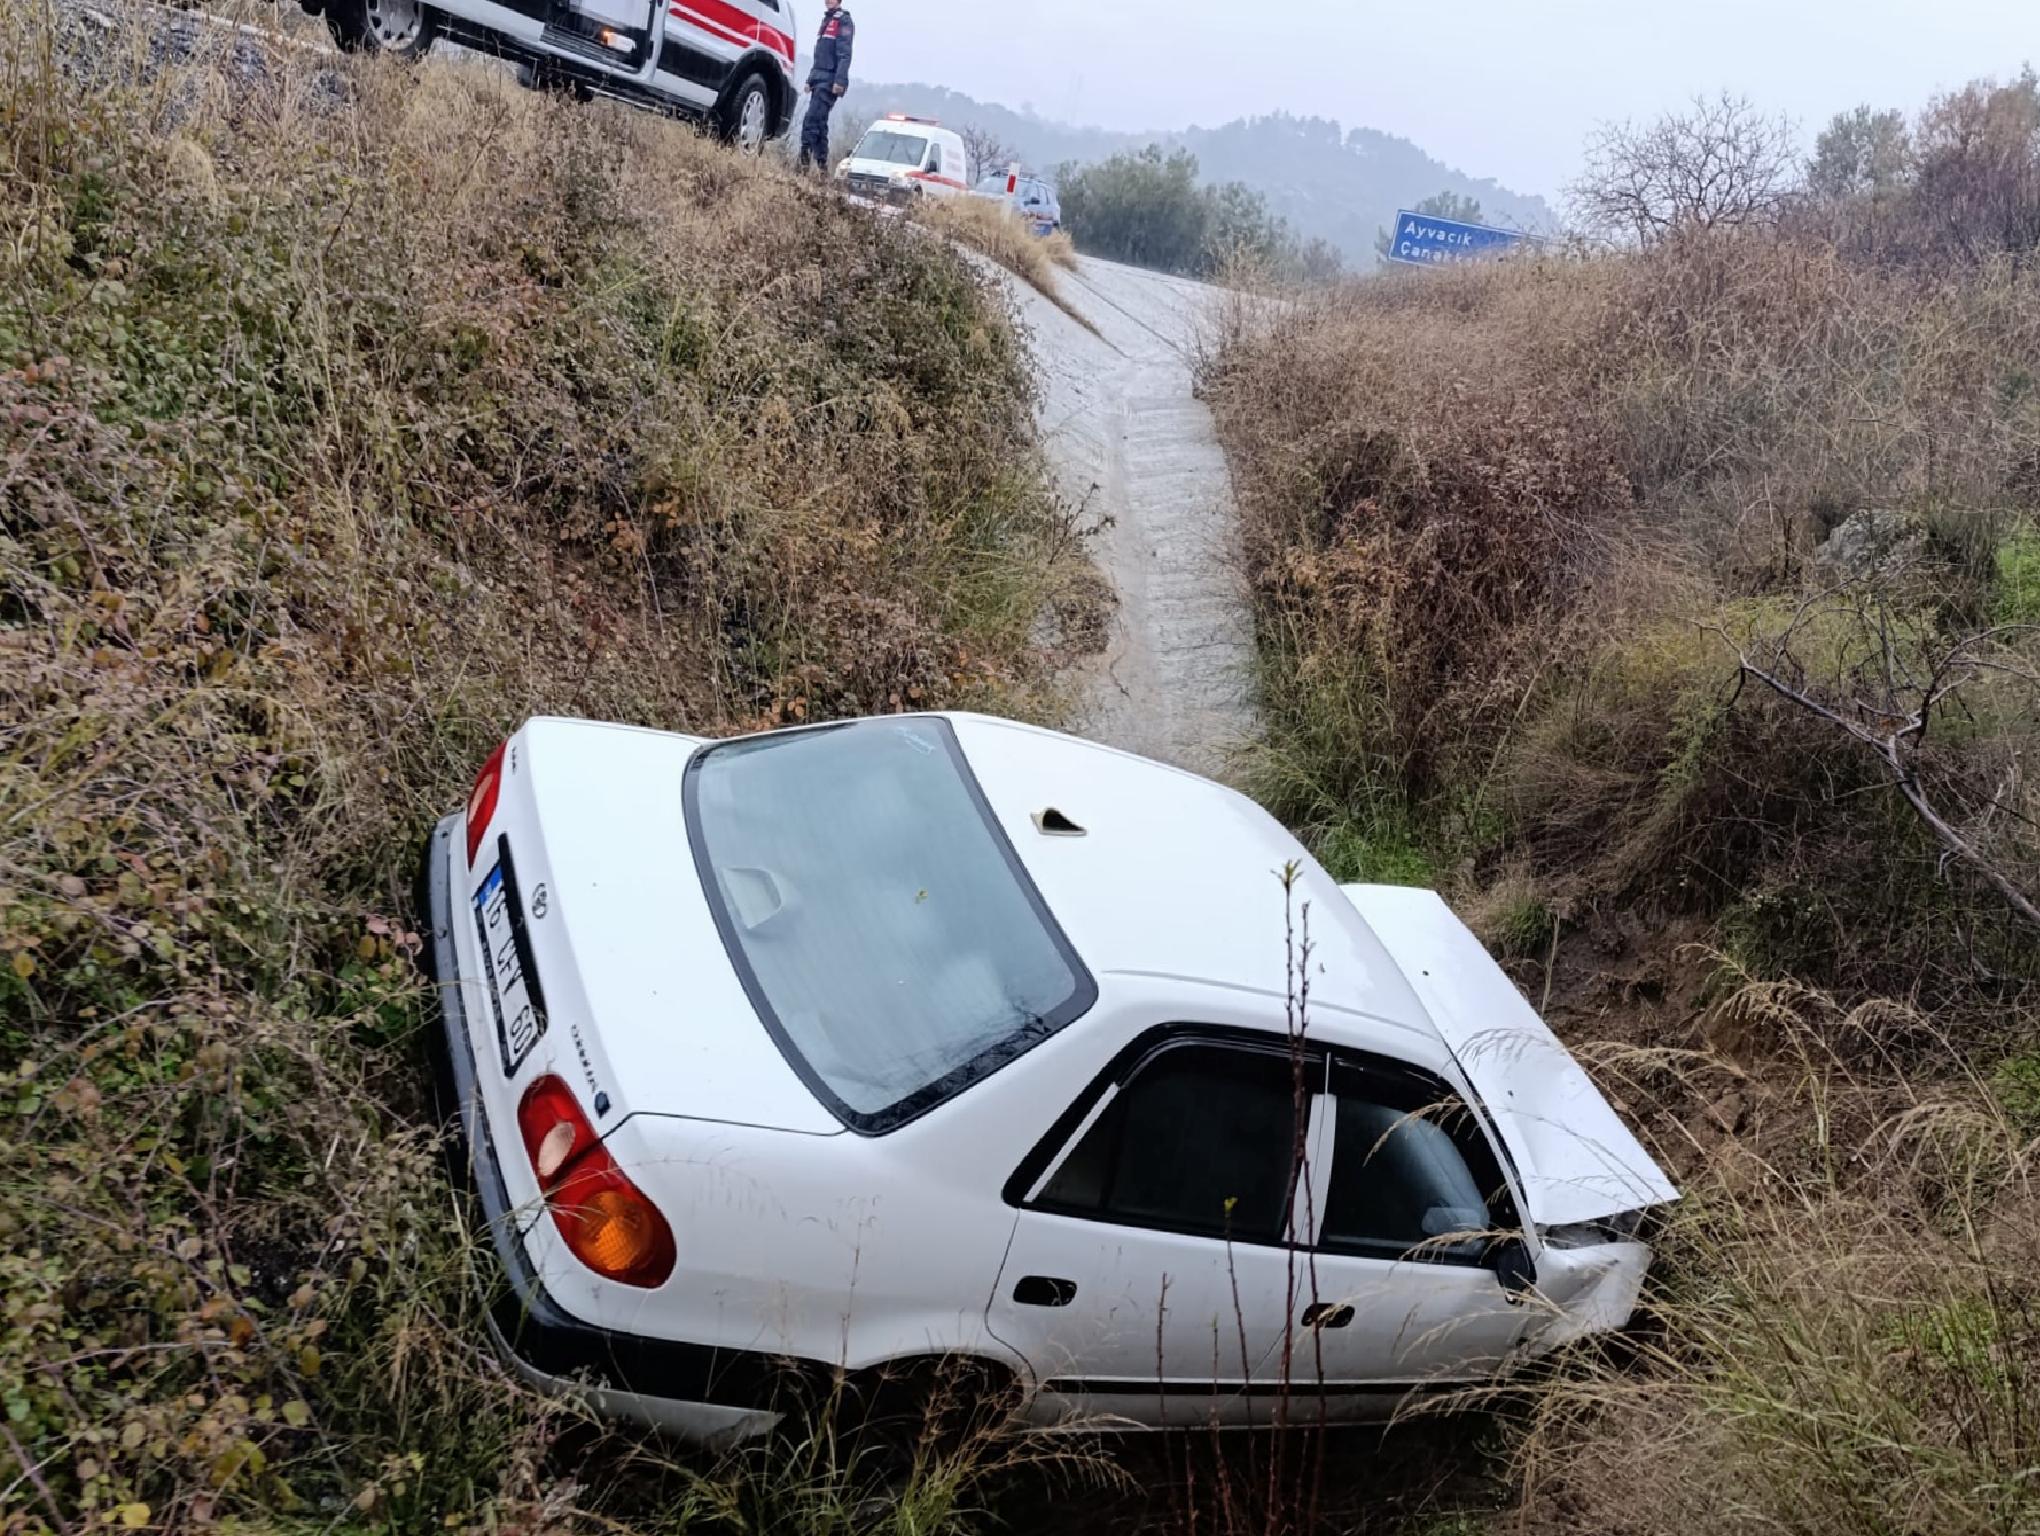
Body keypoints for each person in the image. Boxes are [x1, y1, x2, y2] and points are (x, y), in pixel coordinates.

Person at [798, 0, 854, 172]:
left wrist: (839, 81)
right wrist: (810, 80)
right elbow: (819, 55)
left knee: (811, 121)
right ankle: (822, 169)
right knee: (820, 124)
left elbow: (845, 54)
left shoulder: (843, 20)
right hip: (819, 78)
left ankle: (803, 166)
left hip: (830, 82)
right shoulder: (827, 20)